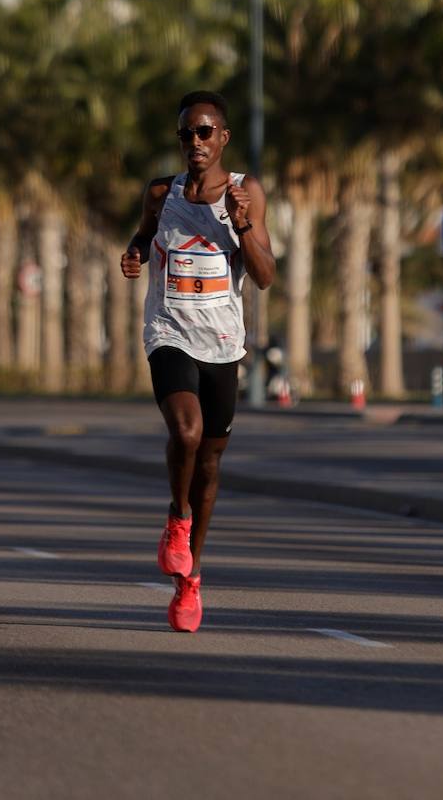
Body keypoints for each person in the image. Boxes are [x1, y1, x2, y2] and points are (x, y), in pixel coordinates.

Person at [121, 91, 275, 632]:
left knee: (209, 463)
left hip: (224, 343)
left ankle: (190, 582)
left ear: (224, 137)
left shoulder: (245, 191)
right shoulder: (162, 193)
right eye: (187, 133)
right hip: (169, 333)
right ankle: (176, 520)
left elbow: (264, 275)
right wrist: (136, 251)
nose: (196, 142)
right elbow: (143, 234)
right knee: (186, 433)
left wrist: (243, 224)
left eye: (206, 132)